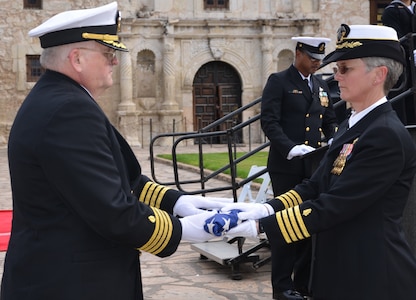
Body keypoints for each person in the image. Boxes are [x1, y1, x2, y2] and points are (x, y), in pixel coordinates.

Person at [0, 3, 227, 299]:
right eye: (108, 54)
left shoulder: (60, 98)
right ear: (77, 59)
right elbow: (114, 211)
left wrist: (177, 202)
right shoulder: (68, 109)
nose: (115, 62)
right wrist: (187, 229)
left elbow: (123, 179)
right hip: (70, 285)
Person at [223, 24, 416, 299]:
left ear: (378, 75)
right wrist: (266, 209)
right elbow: (314, 186)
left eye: (345, 68)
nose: (336, 76)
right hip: (342, 270)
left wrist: (258, 227)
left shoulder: (385, 134)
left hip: (372, 277)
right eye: (336, 68)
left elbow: (334, 205)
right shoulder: (354, 125)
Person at [260, 37, 338, 299]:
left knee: (307, 226)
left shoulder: (321, 84)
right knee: (285, 225)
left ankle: (302, 285)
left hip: (314, 168)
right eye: (313, 58)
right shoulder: (279, 81)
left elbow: (329, 120)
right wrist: (291, 148)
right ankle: (282, 288)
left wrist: (335, 139)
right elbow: (269, 122)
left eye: (320, 59)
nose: (317, 63)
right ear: (298, 53)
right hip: (286, 166)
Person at [382, 0, 416, 125]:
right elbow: (396, 36)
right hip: (404, 60)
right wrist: (412, 50)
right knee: (405, 96)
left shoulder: (414, 8)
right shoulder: (392, 10)